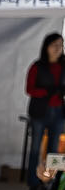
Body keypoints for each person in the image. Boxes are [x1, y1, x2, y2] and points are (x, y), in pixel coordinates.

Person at [27, 34, 65, 164]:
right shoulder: (37, 66)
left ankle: (50, 182)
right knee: (35, 148)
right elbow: (29, 89)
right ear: (47, 47)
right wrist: (46, 92)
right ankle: (34, 182)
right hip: (40, 111)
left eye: (60, 45)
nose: (57, 48)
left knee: (54, 150)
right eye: (54, 45)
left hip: (59, 111)